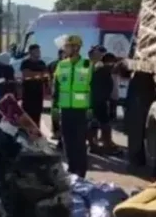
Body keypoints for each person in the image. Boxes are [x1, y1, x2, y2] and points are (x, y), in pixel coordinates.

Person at [51, 35, 93, 178]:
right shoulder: (61, 65)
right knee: (67, 142)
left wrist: (91, 108)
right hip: (65, 110)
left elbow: (92, 88)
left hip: (81, 110)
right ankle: (72, 171)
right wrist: (55, 107)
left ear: (76, 48)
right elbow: (56, 87)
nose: (65, 49)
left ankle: (81, 173)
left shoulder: (87, 64)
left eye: (68, 46)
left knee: (80, 143)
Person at [90, 47, 118, 153]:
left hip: (98, 100)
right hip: (97, 100)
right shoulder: (100, 70)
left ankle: (96, 145)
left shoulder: (99, 69)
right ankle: (103, 145)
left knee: (96, 123)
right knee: (102, 123)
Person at [20, 44, 49, 124]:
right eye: (36, 51)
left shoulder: (42, 63)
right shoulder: (25, 63)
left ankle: (36, 133)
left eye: (39, 51)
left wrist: (34, 75)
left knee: (37, 116)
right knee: (27, 116)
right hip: (28, 95)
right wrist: (39, 75)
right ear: (30, 52)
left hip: (38, 95)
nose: (38, 52)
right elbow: (26, 75)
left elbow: (46, 76)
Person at [47, 48, 65, 139]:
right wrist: (50, 88)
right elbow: (48, 77)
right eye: (63, 53)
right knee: (55, 113)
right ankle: (56, 131)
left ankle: (62, 132)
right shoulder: (53, 64)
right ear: (59, 54)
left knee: (63, 114)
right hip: (56, 92)